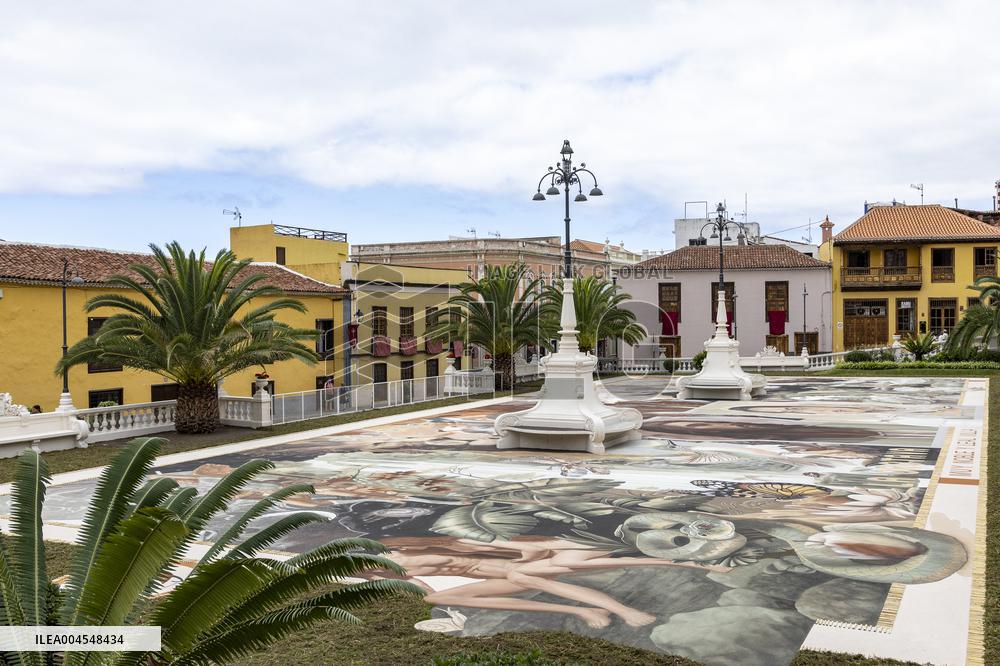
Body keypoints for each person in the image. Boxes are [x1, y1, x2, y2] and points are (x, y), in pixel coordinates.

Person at [383, 536, 729, 629]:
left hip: (529, 566)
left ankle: (618, 608)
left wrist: (702, 566)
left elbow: (529, 551)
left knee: (526, 571)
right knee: (430, 602)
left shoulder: (455, 544)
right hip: (511, 580)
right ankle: (582, 610)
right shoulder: (396, 570)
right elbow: (422, 585)